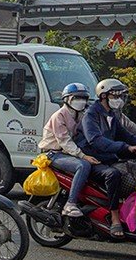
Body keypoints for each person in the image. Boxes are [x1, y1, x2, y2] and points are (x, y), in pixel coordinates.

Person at [81, 77, 136, 219]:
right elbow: (96, 141)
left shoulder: (111, 115)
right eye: (116, 95)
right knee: (113, 175)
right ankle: (114, 216)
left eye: (121, 96)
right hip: (94, 159)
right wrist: (128, 148)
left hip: (108, 156)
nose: (119, 99)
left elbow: (126, 135)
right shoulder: (90, 115)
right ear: (104, 96)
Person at [39, 82, 96, 217]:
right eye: (76, 98)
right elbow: (64, 141)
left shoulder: (81, 115)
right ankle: (70, 203)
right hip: (53, 153)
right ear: (67, 99)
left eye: (83, 98)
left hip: (68, 152)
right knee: (83, 166)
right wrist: (83, 156)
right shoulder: (59, 116)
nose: (80, 101)